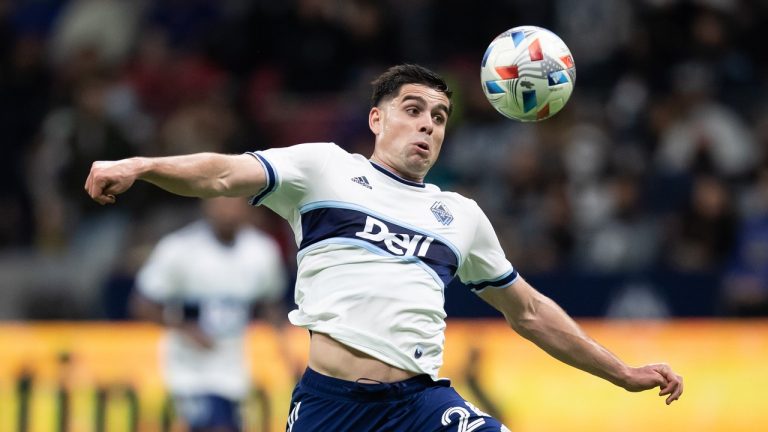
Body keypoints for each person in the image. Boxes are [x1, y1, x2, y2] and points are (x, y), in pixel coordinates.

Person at [85, 64, 683, 431]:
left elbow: (528, 312)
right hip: (331, 407)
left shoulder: (461, 217)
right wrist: (141, 164)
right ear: (376, 119)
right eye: (414, 110)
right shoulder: (323, 170)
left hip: (419, 407)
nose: (428, 125)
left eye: (441, 117)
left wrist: (622, 372)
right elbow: (220, 174)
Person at [132, 196, 288, 431]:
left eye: (234, 200)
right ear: (207, 204)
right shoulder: (179, 248)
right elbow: (142, 304)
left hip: (237, 369)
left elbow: (271, 302)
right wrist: (185, 328)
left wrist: (282, 342)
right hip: (190, 372)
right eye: (221, 201)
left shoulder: (262, 251)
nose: (228, 209)